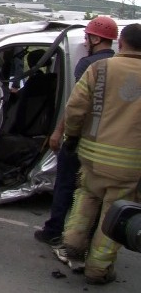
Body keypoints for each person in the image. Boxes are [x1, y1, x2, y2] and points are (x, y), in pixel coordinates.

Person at [56, 23, 141, 285]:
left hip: (91, 153)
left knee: (86, 198)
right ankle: (98, 269)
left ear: (122, 43)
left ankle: (71, 244)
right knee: (114, 214)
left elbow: (75, 108)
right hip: (130, 162)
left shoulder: (99, 68)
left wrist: (70, 137)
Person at [34, 16, 118, 246]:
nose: (85, 41)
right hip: (105, 142)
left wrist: (59, 133)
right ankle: (87, 236)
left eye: (87, 37)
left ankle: (54, 230)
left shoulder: (89, 65)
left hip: (79, 138)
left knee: (65, 185)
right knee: (93, 194)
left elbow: (75, 105)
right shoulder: (117, 66)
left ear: (96, 38)